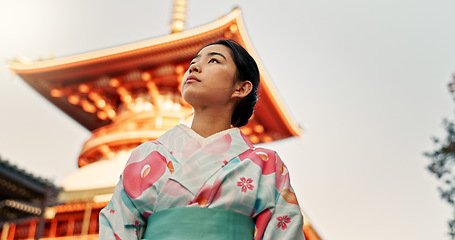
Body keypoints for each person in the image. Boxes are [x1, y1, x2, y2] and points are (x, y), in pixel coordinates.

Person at [99, 40, 305, 240]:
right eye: (193, 63)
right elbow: (116, 227)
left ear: (241, 88)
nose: (195, 67)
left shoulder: (266, 165)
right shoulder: (145, 155)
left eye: (214, 61)